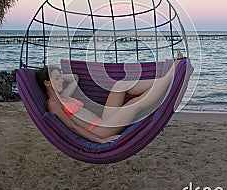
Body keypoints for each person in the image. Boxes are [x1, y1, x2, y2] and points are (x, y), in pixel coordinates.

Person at [36, 51, 184, 143]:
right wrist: (100, 139)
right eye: (56, 79)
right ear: (46, 83)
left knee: (119, 86)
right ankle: (170, 77)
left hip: (102, 122)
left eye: (60, 77)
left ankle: (164, 82)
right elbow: (72, 127)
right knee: (134, 105)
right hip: (97, 131)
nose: (61, 80)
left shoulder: (64, 97)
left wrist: (57, 74)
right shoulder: (53, 104)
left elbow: (74, 78)